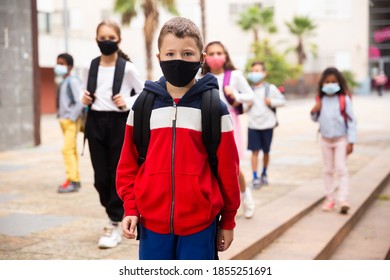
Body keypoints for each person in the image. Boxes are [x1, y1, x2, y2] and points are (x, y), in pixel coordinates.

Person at [116, 17, 241, 260]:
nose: (178, 60)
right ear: (158, 57)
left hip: (200, 225)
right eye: (170, 53)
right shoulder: (143, 106)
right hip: (152, 223)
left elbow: (228, 169)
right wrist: (130, 207)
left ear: (201, 59)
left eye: (187, 54)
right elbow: (128, 164)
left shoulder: (215, 108)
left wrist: (228, 219)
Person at [81, 20, 144, 249]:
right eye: (102, 37)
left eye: (111, 38)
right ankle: (114, 214)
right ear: (96, 39)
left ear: (119, 40)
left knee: (118, 172)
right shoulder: (91, 66)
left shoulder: (126, 67)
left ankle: (114, 221)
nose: (106, 42)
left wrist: (127, 101)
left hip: (119, 122)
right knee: (100, 178)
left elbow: (145, 93)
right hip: (95, 122)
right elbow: (83, 89)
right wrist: (84, 97)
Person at [202, 41, 255, 219]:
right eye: (211, 53)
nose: (216, 57)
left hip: (230, 124)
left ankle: (246, 197)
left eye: (219, 53)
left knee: (233, 165)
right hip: (207, 124)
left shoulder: (234, 76)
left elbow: (251, 97)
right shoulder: (201, 78)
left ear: (225, 55)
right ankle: (217, 204)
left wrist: (235, 95)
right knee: (210, 165)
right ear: (205, 57)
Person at [310, 67, 356, 215]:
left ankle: (343, 199)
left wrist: (351, 141)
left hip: (341, 139)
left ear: (339, 83)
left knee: (341, 169)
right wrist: (314, 110)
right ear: (322, 83)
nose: (330, 84)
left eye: (333, 82)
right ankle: (330, 198)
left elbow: (352, 121)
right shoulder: (320, 100)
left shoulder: (344, 99)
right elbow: (315, 119)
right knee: (327, 170)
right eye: (327, 82)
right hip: (325, 139)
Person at [246, 61, 286, 188]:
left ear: (264, 73)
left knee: (266, 151)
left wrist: (271, 101)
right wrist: (248, 105)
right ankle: (254, 176)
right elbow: (242, 108)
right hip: (253, 125)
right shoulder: (248, 90)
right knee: (254, 152)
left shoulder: (270, 88)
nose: (255, 73)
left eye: (258, 71)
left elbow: (282, 101)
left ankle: (264, 173)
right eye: (253, 71)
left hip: (268, 125)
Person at [54, 53, 84, 193]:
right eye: (57, 63)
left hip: (71, 121)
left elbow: (80, 101)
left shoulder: (73, 81)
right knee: (71, 150)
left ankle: (72, 180)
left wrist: (72, 117)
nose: (58, 66)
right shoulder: (63, 81)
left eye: (62, 63)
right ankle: (75, 179)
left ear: (69, 66)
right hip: (64, 121)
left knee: (66, 150)